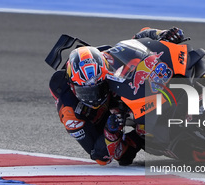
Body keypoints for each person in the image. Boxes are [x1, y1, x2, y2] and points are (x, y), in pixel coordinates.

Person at [49, 27, 185, 166]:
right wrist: (110, 131)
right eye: (86, 92)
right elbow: (99, 157)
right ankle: (142, 139)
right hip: (102, 121)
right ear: (73, 86)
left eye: (98, 88)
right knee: (123, 155)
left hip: (117, 97)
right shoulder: (69, 110)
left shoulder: (107, 58)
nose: (93, 97)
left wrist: (162, 34)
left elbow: (139, 40)